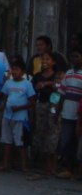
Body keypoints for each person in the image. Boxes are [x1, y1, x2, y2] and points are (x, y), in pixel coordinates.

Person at [0, 59, 35, 172]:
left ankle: (23, 165)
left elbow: (32, 102)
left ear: (22, 72)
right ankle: (5, 164)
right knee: (7, 141)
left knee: (21, 143)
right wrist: (2, 106)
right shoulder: (8, 83)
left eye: (16, 69)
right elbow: (4, 96)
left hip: (20, 117)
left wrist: (20, 108)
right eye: (12, 69)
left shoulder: (27, 84)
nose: (13, 71)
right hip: (7, 116)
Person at [30, 51, 63, 176]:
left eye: (47, 59)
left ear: (53, 62)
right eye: (43, 60)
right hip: (41, 105)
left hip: (54, 106)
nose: (44, 62)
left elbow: (60, 87)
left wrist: (47, 84)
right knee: (41, 132)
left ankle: (53, 166)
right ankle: (45, 165)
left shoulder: (57, 75)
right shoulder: (37, 76)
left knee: (53, 134)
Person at [54, 47, 82, 179]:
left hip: (78, 115)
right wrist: (57, 112)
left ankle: (75, 168)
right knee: (65, 140)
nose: (73, 59)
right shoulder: (68, 73)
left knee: (76, 142)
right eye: (72, 56)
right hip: (67, 113)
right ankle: (67, 167)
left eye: (76, 56)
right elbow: (62, 95)